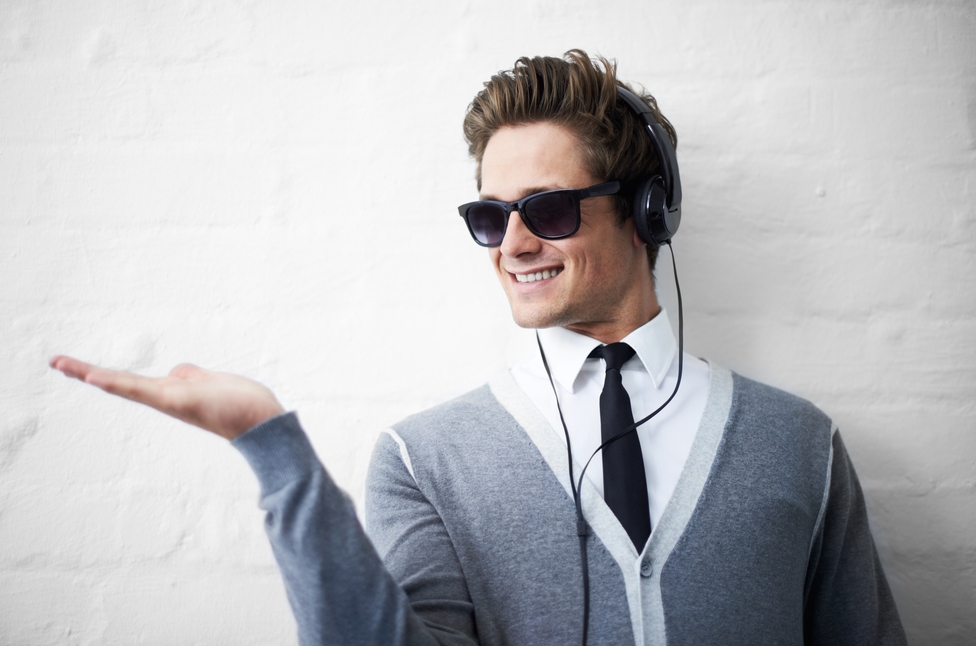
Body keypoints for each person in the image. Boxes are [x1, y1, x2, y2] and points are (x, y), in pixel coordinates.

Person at [50, 50, 906, 645]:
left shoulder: (799, 444)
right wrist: (272, 448)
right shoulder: (425, 460)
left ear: (650, 213)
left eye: (551, 209)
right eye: (491, 217)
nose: (514, 244)